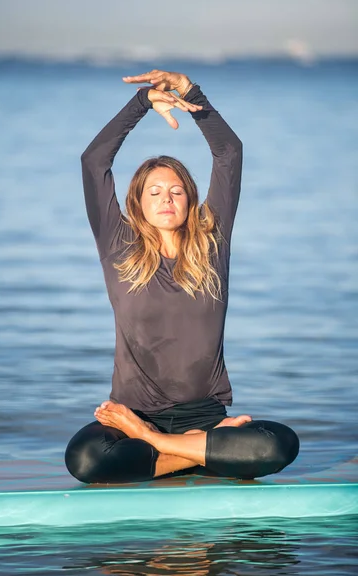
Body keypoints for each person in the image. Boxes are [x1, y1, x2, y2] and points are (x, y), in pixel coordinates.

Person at [65, 69, 299, 483]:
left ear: (191, 200)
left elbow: (229, 152)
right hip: (132, 415)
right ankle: (193, 450)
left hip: (205, 414)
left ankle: (159, 448)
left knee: (279, 444)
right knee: (85, 460)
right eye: (153, 192)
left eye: (176, 191)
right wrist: (141, 103)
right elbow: (93, 161)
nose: (166, 199)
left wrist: (191, 93)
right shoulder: (118, 247)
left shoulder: (212, 244)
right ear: (137, 204)